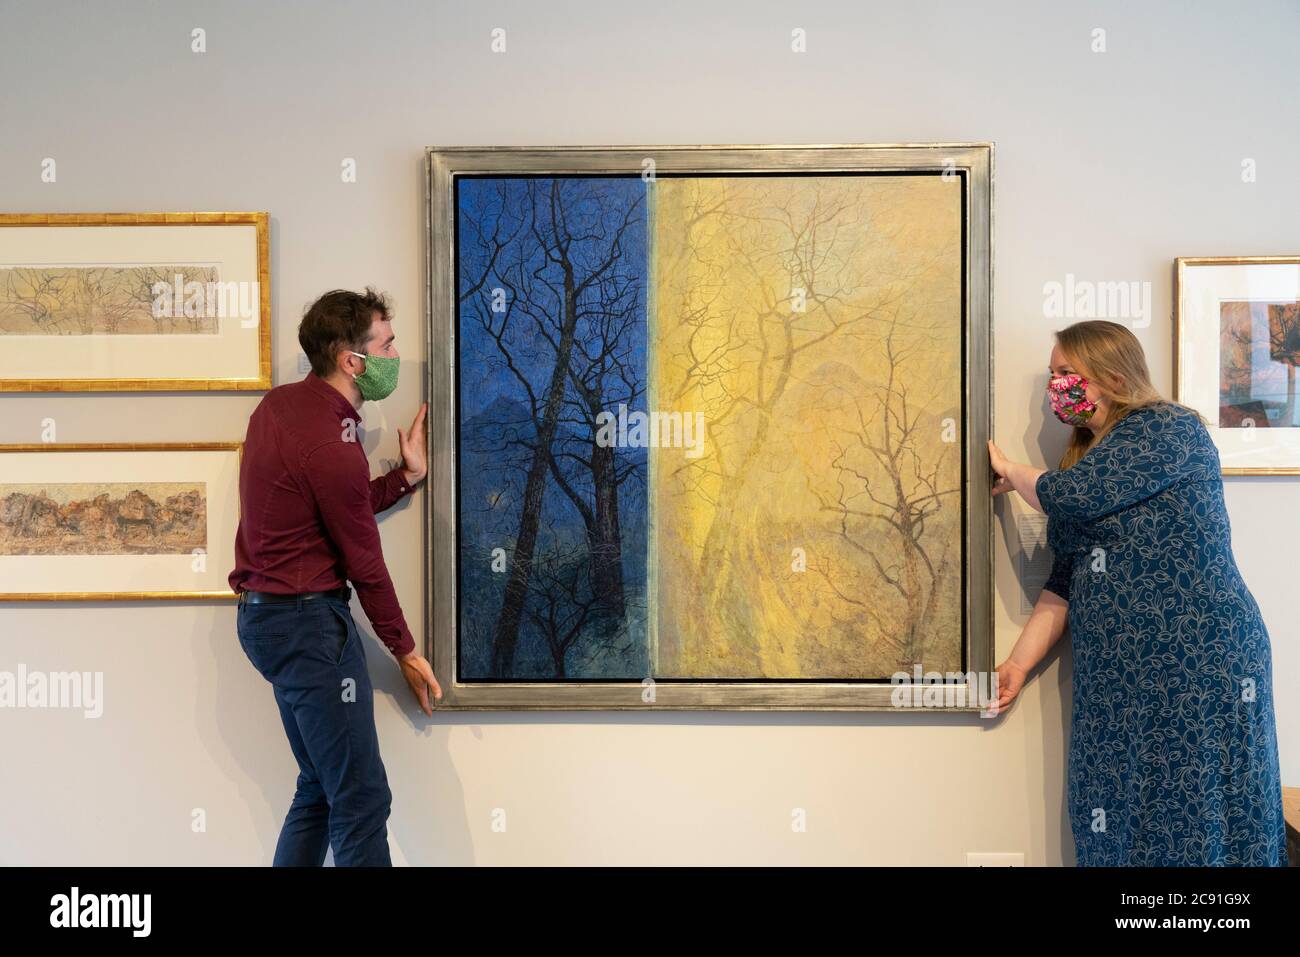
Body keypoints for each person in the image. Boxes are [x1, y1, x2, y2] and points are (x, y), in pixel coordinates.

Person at [986, 319, 1285, 866]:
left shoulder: (1167, 428)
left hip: (1199, 661)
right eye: (1053, 376)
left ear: (1111, 376)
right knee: (1116, 808)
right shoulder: (1087, 460)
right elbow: (1065, 581)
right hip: (1121, 676)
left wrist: (1009, 469)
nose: (1057, 387)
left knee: (1201, 809)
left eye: (1066, 374)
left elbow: (1069, 497)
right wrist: (1018, 664)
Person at [229, 287, 442, 867]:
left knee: (321, 789)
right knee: (362, 800)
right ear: (353, 361)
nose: (396, 355)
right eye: (388, 343)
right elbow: (363, 559)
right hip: (306, 628)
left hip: (268, 621)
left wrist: (404, 477)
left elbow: (336, 505)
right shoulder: (332, 442)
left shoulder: (279, 407)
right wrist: (403, 647)